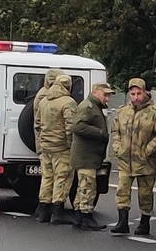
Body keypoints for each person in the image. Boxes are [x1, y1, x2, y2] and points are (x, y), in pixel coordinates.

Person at [110, 77, 156, 236]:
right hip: (125, 160)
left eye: (139, 93)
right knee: (122, 191)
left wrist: (148, 150)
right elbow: (115, 131)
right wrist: (117, 148)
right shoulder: (122, 112)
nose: (136, 97)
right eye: (133, 93)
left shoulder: (155, 114)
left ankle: (144, 223)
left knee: (145, 194)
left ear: (145, 92)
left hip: (145, 162)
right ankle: (122, 222)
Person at [69, 82, 113, 231]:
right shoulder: (88, 107)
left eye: (108, 95)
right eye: (105, 94)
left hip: (88, 155)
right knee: (88, 187)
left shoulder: (94, 107)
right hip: (85, 156)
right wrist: (100, 133)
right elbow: (78, 126)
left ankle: (78, 216)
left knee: (83, 187)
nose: (107, 98)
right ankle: (86, 216)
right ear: (95, 92)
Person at [37, 73, 78, 225]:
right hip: (61, 147)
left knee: (47, 177)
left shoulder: (44, 101)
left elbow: (37, 124)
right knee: (62, 177)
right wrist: (71, 145)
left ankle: (43, 211)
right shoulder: (68, 102)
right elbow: (70, 127)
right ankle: (58, 212)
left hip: (46, 145)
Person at [30, 69, 63, 222]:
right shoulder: (47, 96)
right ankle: (52, 210)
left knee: (48, 176)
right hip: (51, 143)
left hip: (44, 142)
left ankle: (43, 209)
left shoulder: (43, 94)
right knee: (57, 176)